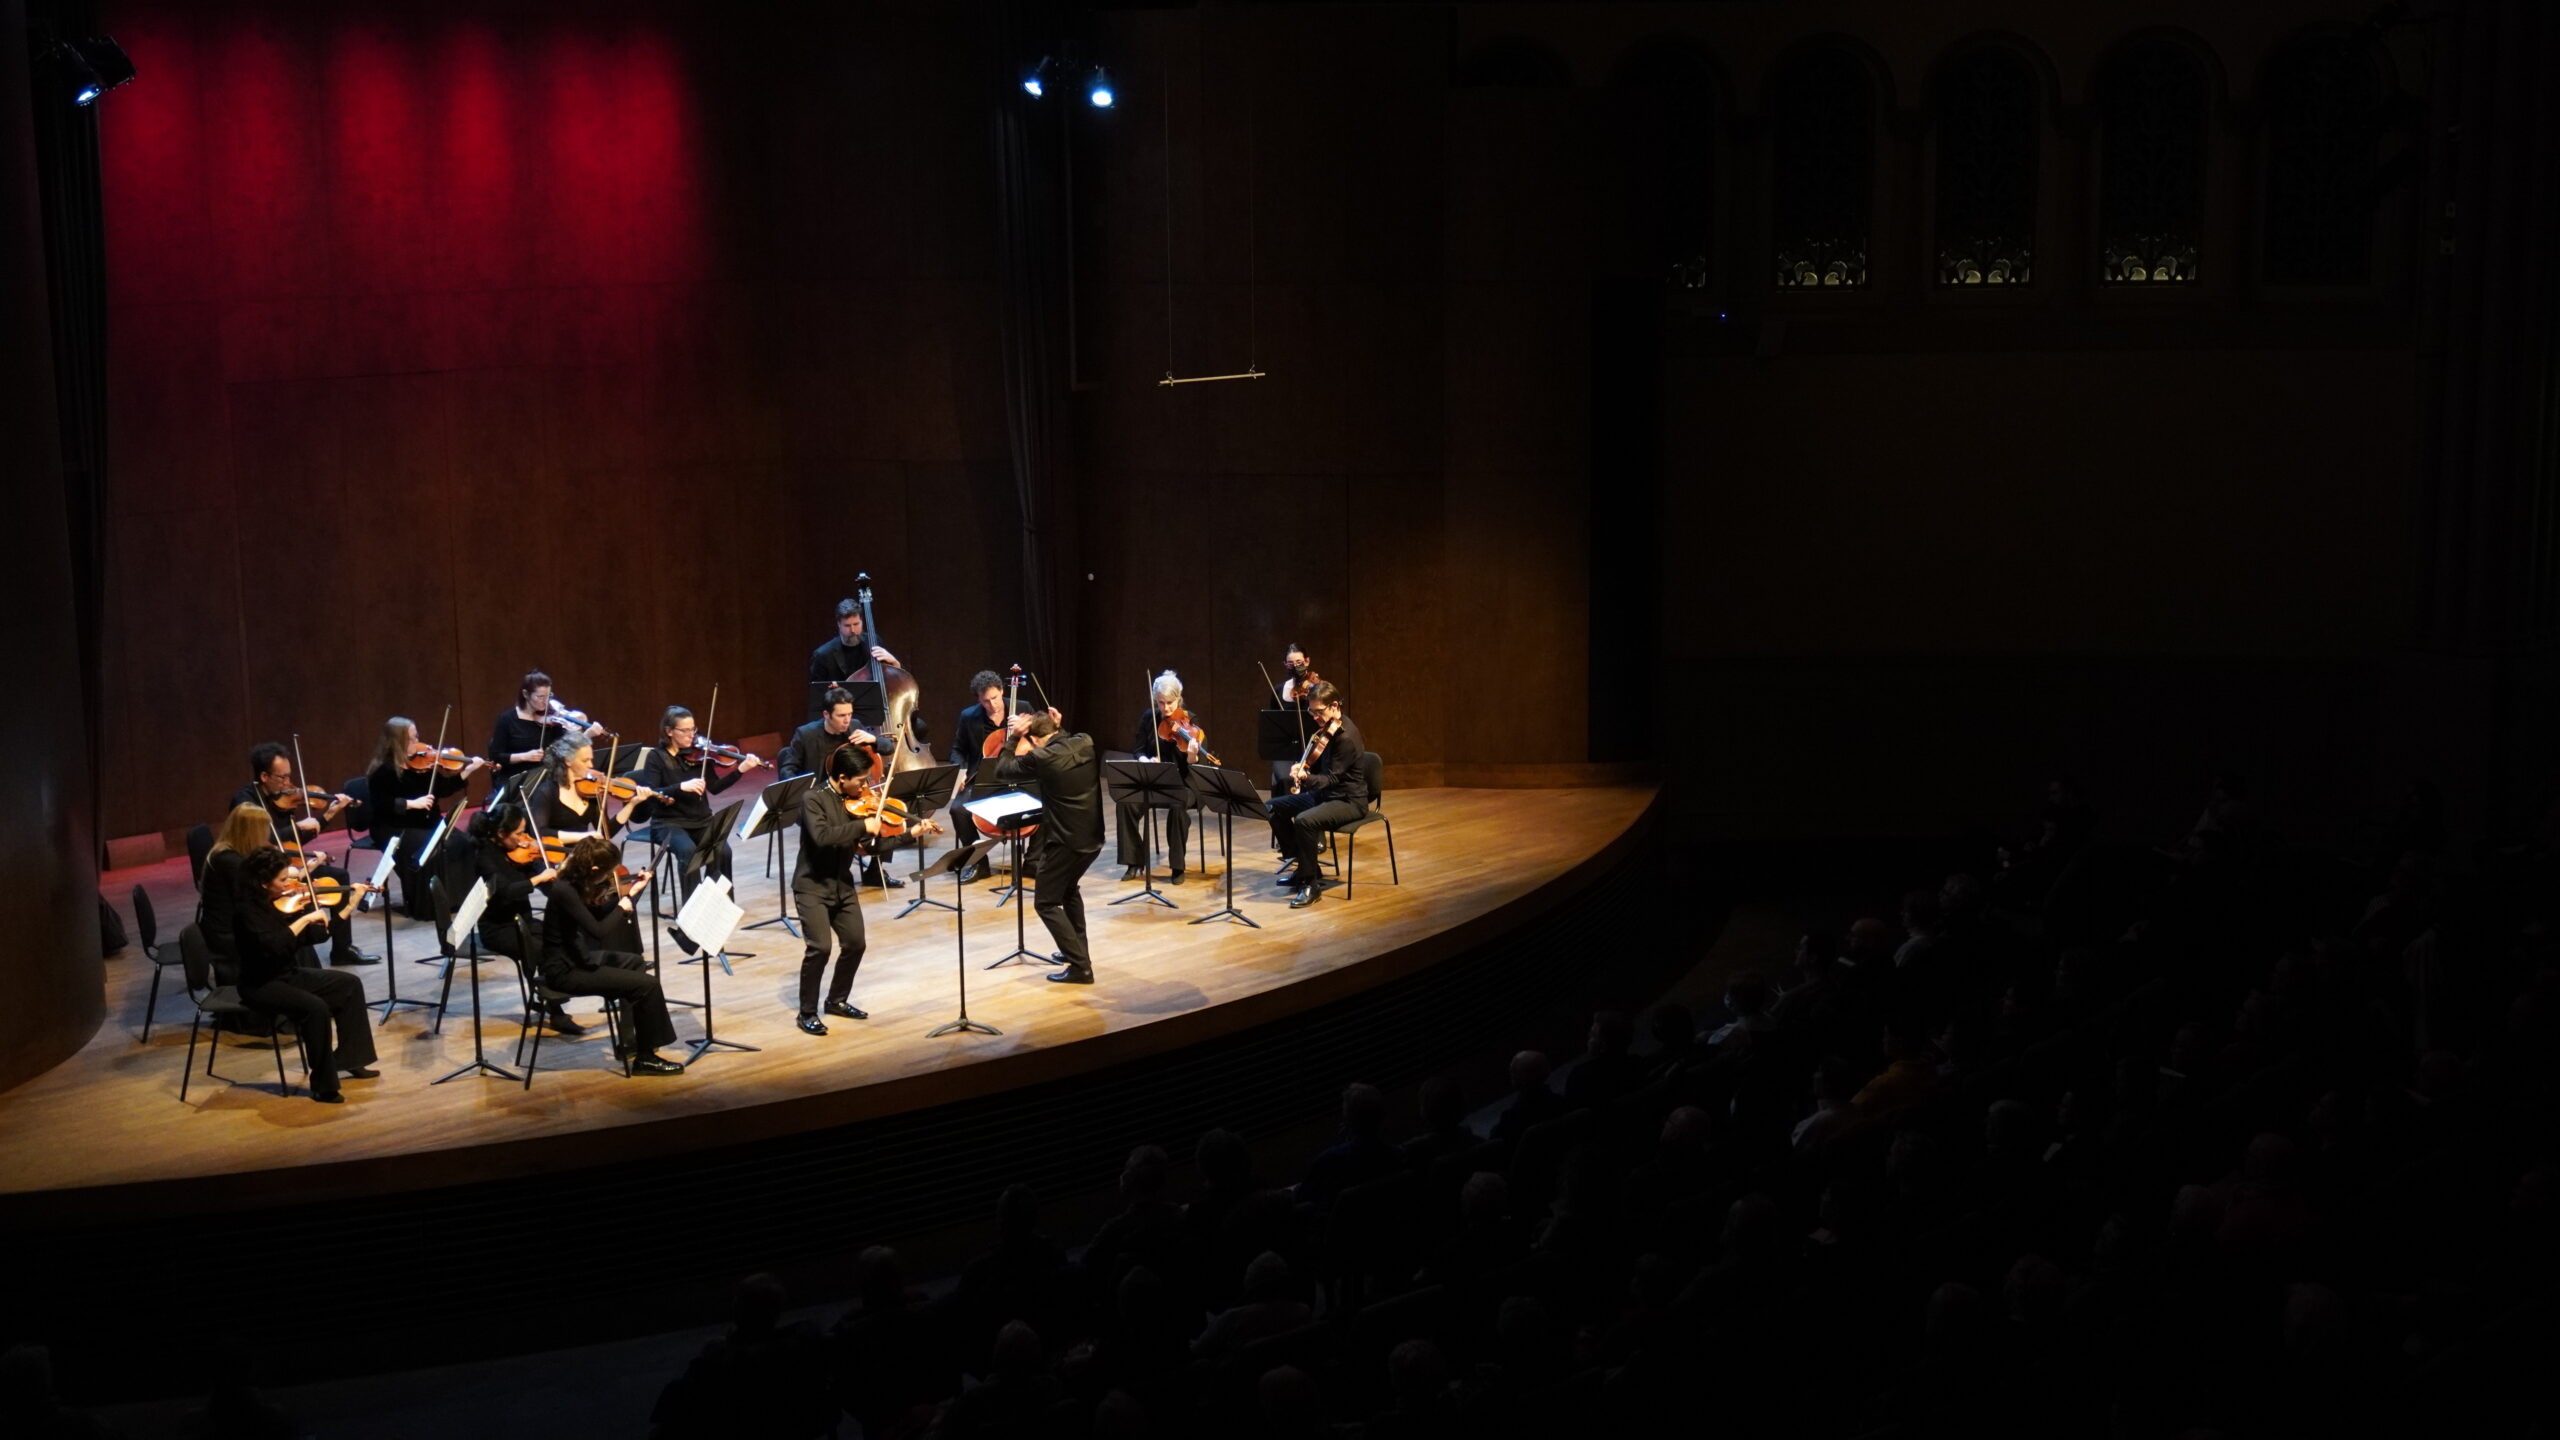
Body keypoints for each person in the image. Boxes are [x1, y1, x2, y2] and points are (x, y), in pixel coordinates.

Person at [233, 848, 381, 1104]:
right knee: (316, 1008)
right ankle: (324, 1086)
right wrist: (303, 920)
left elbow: (320, 935)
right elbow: (274, 945)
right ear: (263, 883)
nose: (290, 884)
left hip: (287, 974)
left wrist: (351, 902)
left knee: (348, 984)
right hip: (260, 984)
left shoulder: (280, 902)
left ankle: (350, 1058)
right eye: (282, 880)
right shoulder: (246, 912)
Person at [791, 741, 914, 1034]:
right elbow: (822, 837)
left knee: (856, 944)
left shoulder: (855, 802)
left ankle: (836, 1000)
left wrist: (911, 834)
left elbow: (871, 846)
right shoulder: (813, 799)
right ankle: (806, 1012)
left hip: (842, 884)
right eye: (861, 781)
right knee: (819, 947)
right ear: (842, 778)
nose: (866, 787)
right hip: (811, 885)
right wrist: (862, 827)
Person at [543, 836, 684, 1075]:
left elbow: (595, 911)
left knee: (636, 963)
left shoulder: (573, 880)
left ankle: (632, 1042)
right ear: (594, 869)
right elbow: (598, 931)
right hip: (564, 971)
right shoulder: (564, 890)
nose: (609, 877)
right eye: (607, 873)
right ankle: (646, 1058)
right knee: (648, 985)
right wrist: (623, 905)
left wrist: (631, 891)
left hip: (577, 958)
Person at [227, 745, 375, 964]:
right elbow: (263, 840)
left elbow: (292, 841)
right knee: (314, 891)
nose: (289, 784)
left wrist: (328, 815)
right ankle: (301, 946)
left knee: (339, 876)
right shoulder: (245, 802)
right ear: (264, 776)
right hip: (264, 873)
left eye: (289, 776)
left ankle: (342, 950)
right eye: (282, 777)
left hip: (285, 864)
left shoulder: (281, 799)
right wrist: (298, 828)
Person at [996, 706, 1103, 984]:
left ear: (1035, 739)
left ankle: (1081, 968)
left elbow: (1003, 769)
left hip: (1065, 841)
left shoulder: (1041, 757)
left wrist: (1011, 737)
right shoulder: (1085, 740)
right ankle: (1079, 954)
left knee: (1045, 902)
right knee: (1069, 891)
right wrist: (1057, 727)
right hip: (1092, 839)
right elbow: (1064, 740)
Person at [469, 803, 584, 1035]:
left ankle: (551, 993)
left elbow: (542, 880)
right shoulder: (485, 857)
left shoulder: (519, 852)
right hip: (498, 928)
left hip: (523, 921)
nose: (525, 839)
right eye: (519, 833)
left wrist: (557, 882)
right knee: (542, 950)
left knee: (562, 937)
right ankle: (555, 1010)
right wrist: (537, 879)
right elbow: (505, 892)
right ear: (501, 834)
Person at [633, 704, 764, 905]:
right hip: (669, 823)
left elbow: (716, 788)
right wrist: (680, 787)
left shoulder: (700, 755)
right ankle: (692, 907)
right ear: (669, 731)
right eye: (684, 730)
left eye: (692, 729)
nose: (691, 735)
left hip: (700, 820)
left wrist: (741, 769)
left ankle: (719, 903)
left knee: (723, 851)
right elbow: (652, 793)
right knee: (688, 852)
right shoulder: (656, 757)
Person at [365, 716, 487, 922]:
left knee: (464, 843)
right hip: (395, 826)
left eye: (416, 736)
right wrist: (411, 804)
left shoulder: (423, 765)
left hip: (426, 822)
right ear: (396, 743)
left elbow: (443, 788)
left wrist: (468, 770)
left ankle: (458, 900)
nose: (418, 743)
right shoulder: (382, 771)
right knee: (429, 851)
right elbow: (381, 805)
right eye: (411, 739)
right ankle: (430, 906)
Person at [1263, 681, 1366, 909]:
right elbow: (1322, 773)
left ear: (1335, 705)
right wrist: (1303, 767)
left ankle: (1311, 884)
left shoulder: (1346, 737)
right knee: (1272, 808)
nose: (1316, 717)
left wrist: (1304, 778)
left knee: (1305, 821)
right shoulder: (1326, 730)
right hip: (1327, 795)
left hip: (1348, 800)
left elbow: (1332, 779)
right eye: (1312, 711)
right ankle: (1304, 865)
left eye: (1320, 711)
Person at [784, 687, 900, 888]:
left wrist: (873, 740)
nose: (846, 721)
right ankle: (826, 873)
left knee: (882, 816)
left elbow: (888, 748)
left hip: (853, 795)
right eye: (841, 716)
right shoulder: (806, 734)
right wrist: (805, 797)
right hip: (820, 799)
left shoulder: (855, 727)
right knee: (835, 827)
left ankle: (875, 870)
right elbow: (787, 769)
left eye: (850, 714)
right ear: (826, 714)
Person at [1118, 671, 1197, 884]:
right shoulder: (1148, 718)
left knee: (1178, 806)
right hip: (1155, 782)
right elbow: (1138, 749)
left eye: (1170, 703)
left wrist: (1191, 754)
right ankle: (1134, 862)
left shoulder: (1190, 721)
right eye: (1161, 703)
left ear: (1179, 699)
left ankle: (1177, 866)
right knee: (1126, 802)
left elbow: (1195, 765)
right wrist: (1146, 761)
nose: (1166, 709)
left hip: (1184, 785)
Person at [525, 735, 663, 842]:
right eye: (585, 760)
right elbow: (539, 832)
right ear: (568, 761)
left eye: (591, 759)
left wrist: (632, 804)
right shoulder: (547, 792)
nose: (591, 765)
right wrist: (583, 837)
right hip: (559, 854)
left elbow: (605, 833)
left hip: (586, 852)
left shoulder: (591, 791)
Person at [488, 669, 606, 792]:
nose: (545, 701)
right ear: (525, 694)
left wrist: (587, 735)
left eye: (548, 696)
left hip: (548, 776)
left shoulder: (552, 720)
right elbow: (496, 756)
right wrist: (525, 756)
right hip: (517, 778)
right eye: (540, 697)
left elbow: (564, 750)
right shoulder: (507, 719)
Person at [947, 669, 1010, 878]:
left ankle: (1033, 862)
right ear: (978, 700)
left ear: (1002, 690)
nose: (992, 705)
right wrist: (961, 770)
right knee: (958, 810)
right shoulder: (969, 717)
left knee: (1047, 803)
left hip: (1017, 778)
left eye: (995, 698)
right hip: (981, 778)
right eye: (985, 702)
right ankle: (979, 864)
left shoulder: (1021, 707)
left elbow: (1039, 738)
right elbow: (957, 749)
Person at [808, 598, 901, 722]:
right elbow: (818, 695)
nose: (853, 630)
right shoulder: (823, 655)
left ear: (861, 621)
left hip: (873, 709)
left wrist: (895, 663)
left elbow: (891, 680)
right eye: (847, 626)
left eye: (856, 624)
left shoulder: (874, 642)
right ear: (839, 624)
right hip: (841, 716)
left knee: (920, 727)